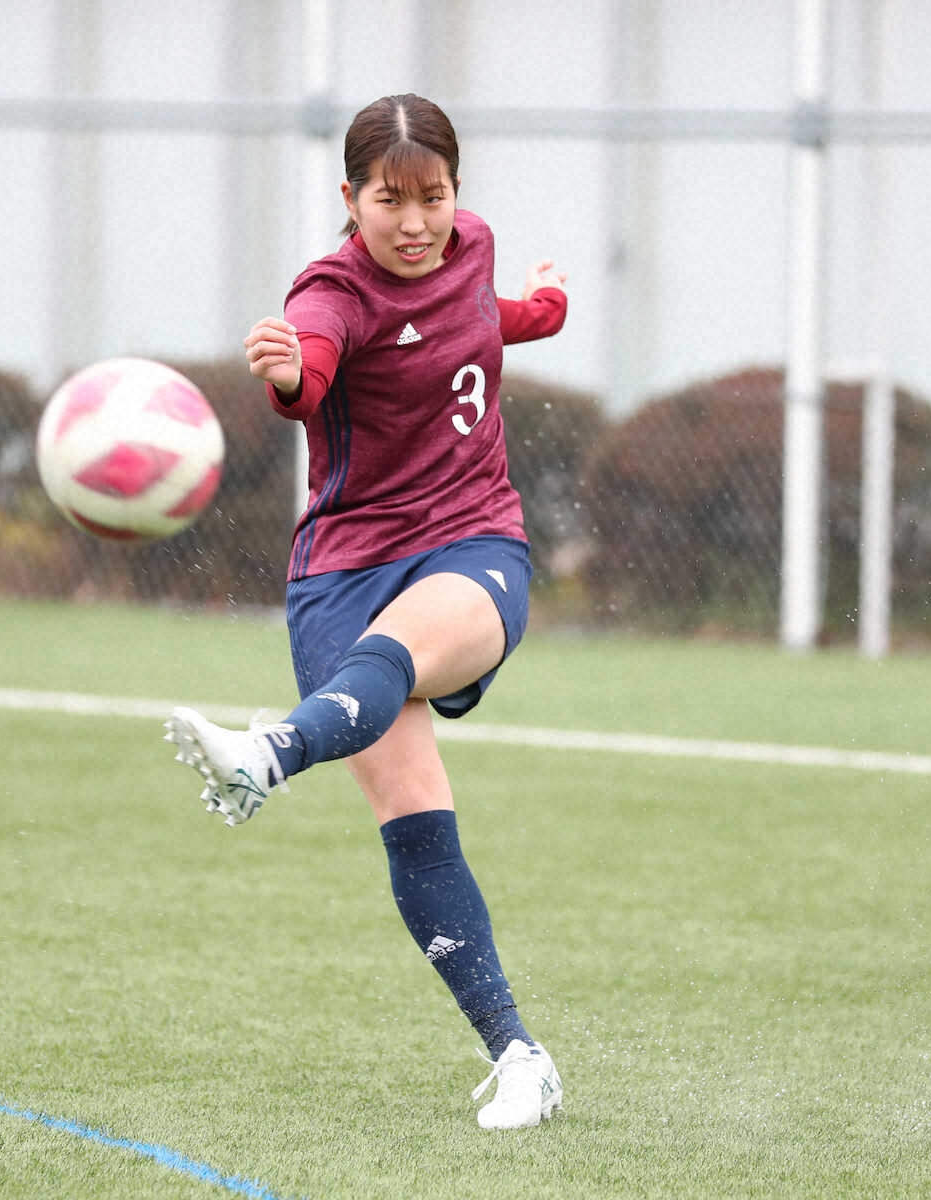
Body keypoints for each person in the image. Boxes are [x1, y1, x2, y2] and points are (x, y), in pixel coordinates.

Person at [165, 93, 567, 1131]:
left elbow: (480, 321)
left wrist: (541, 312)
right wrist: (294, 378)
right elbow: (316, 363)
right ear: (350, 199)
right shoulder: (328, 292)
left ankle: (264, 760)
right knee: (418, 834)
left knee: (398, 648)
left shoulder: (470, 246)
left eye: (432, 196)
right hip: (340, 572)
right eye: (391, 200)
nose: (417, 221)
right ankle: (519, 1055)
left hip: (474, 543)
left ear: (457, 193)